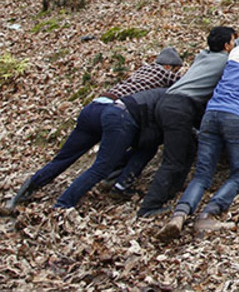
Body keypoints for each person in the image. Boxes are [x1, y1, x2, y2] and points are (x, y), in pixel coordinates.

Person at [3, 47, 183, 213]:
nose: (174, 72)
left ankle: (23, 193)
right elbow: (187, 85)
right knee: (105, 165)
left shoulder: (143, 70)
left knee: (64, 158)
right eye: (175, 69)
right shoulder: (164, 74)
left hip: (93, 108)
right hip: (116, 112)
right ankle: (64, 204)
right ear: (168, 66)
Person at [156, 19, 239, 240]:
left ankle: (179, 215)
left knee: (203, 174)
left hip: (211, 114)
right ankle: (208, 214)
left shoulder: (236, 53)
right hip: (236, 118)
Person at [135, 26, 238, 217]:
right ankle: (149, 207)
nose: (235, 44)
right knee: (173, 160)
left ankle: (173, 190)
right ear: (226, 45)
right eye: (233, 41)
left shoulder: (203, 55)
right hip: (180, 108)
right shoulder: (226, 60)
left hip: (167, 100)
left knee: (189, 148)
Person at [53, 86, 168, 209]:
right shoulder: (173, 98)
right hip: (122, 118)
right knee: (101, 167)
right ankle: (63, 203)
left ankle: (119, 184)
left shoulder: (166, 93)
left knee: (148, 148)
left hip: (118, 112)